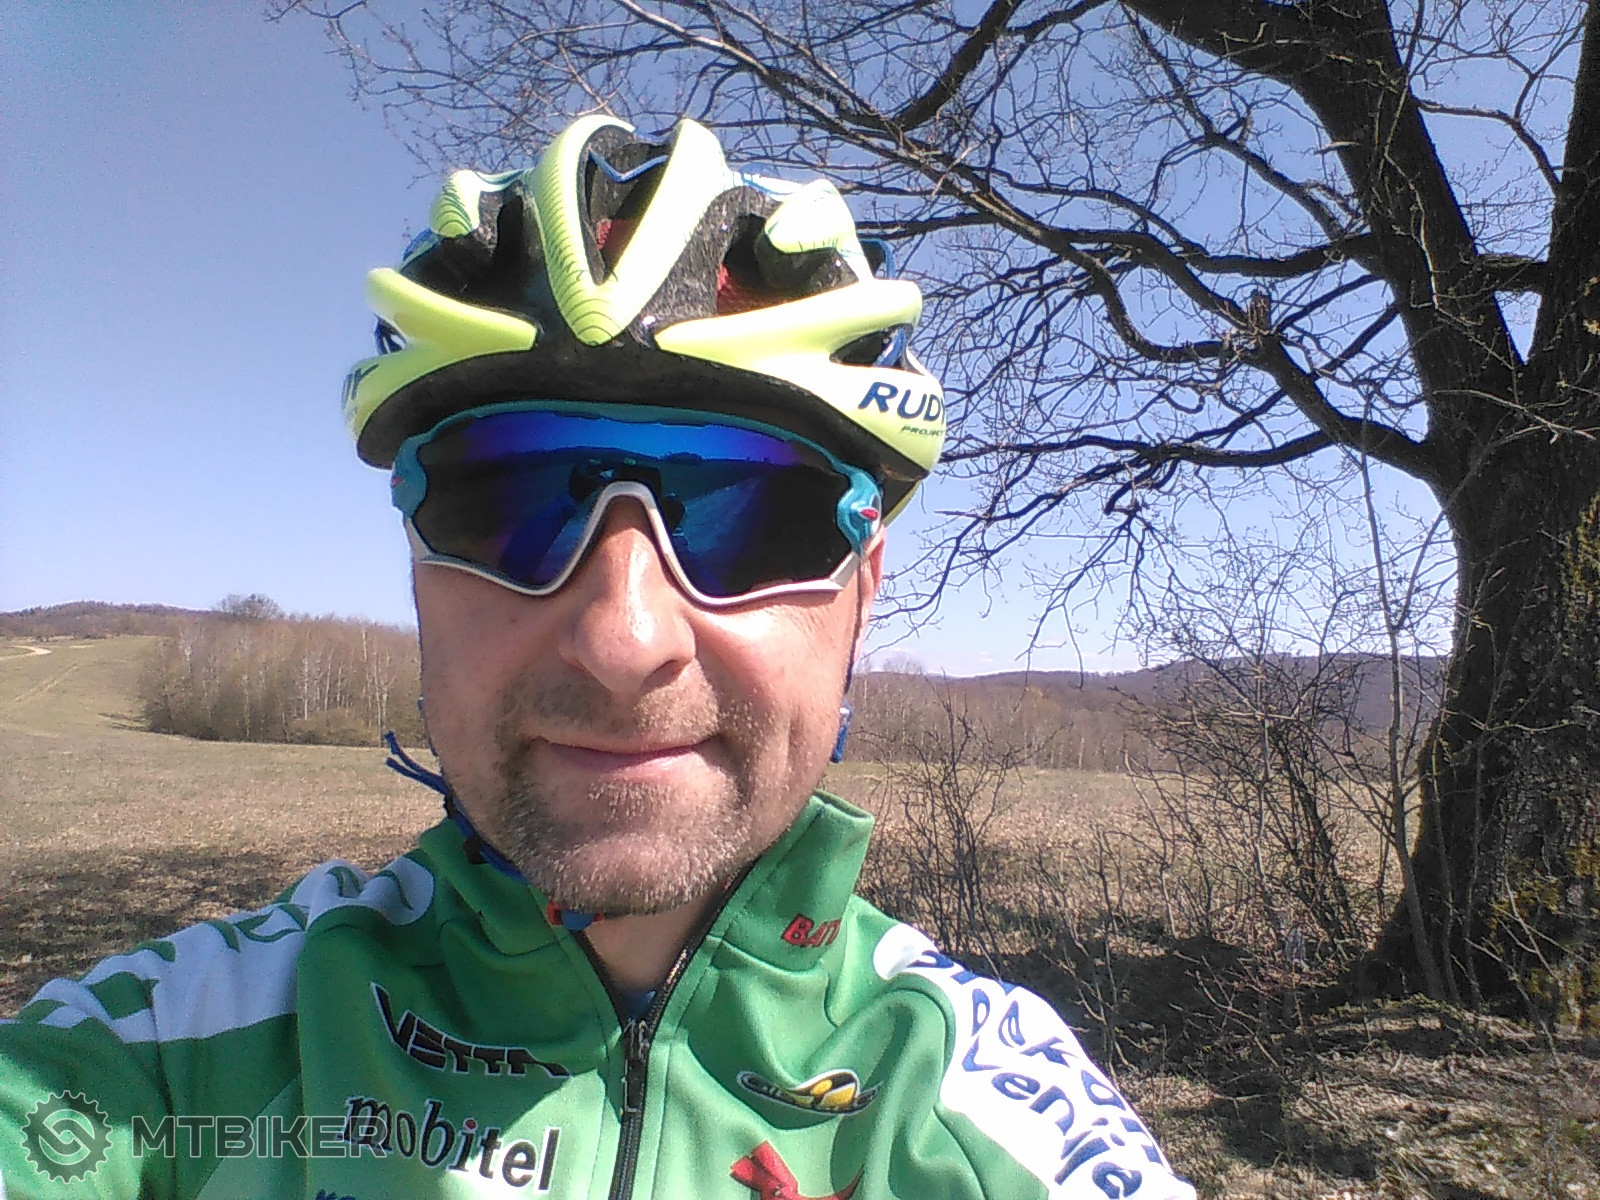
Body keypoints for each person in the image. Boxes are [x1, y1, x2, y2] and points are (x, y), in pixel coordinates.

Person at [0, 115, 1193, 1200]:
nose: (623, 640)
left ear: (862, 592)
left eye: (754, 519)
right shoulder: (173, 1055)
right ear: (418, 572)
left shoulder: (983, 1122)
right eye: (505, 505)